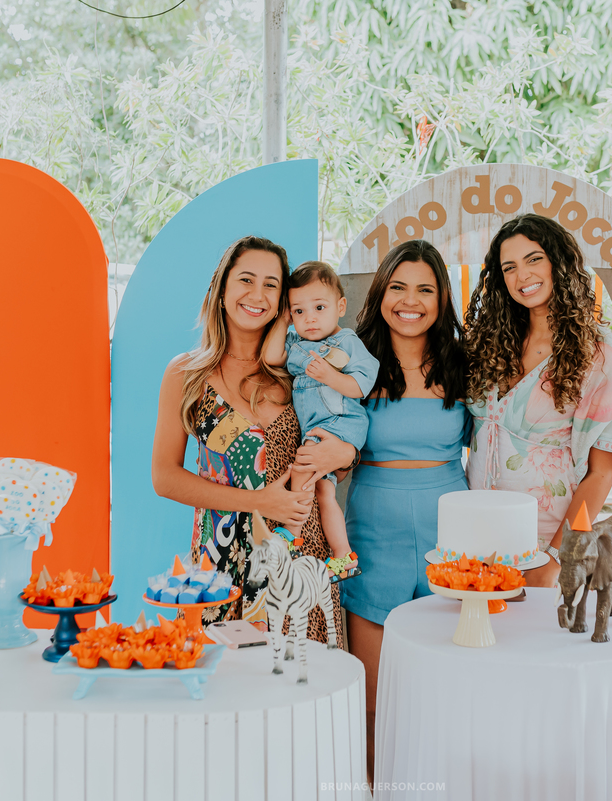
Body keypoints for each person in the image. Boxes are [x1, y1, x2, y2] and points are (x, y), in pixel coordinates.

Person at [150, 235, 356, 642]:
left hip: (298, 559)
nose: (257, 294)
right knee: (228, 693)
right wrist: (259, 502)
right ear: (222, 288)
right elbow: (164, 478)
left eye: (271, 285)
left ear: (282, 303)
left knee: (300, 690)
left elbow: (341, 440)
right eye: (246, 279)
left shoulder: (300, 368)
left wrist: (344, 453)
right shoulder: (186, 374)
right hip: (220, 563)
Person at [341, 239, 472, 773]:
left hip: (452, 538)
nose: (410, 300)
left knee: (448, 695)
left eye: (425, 289)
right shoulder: (350, 360)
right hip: (373, 535)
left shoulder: (466, 364)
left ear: (442, 298)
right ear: (380, 294)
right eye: (398, 287)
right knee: (370, 700)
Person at [463, 213, 612, 588]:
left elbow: (602, 472)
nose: (521, 275)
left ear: (559, 262)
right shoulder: (490, 344)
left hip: (545, 545)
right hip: (476, 539)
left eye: (533, 259)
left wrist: (558, 556)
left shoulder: (600, 353)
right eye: (508, 267)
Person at [264, 260, 377, 577]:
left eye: (319, 307)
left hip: (339, 424)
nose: (309, 318)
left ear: (340, 306)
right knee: (325, 492)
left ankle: (290, 533)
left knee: (302, 469)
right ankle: (343, 555)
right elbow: (273, 357)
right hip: (319, 427)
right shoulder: (297, 345)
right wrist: (283, 321)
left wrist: (329, 375)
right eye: (298, 311)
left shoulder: (347, 342)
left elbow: (361, 385)